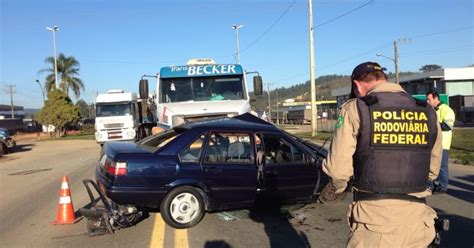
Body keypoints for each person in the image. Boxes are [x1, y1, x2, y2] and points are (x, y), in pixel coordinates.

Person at [323, 62, 443, 247]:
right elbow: (433, 170)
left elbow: (338, 171)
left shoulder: (355, 108)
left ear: (357, 85)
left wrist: (338, 189)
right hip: (420, 222)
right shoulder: (426, 110)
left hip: (374, 223)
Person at [426, 90, 455, 193]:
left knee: (442, 166)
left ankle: (442, 187)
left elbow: (448, 126)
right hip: (434, 143)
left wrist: (433, 126)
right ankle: (432, 184)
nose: (428, 102)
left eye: (429, 100)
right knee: (432, 165)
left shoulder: (446, 110)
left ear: (435, 98)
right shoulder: (433, 110)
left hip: (443, 144)